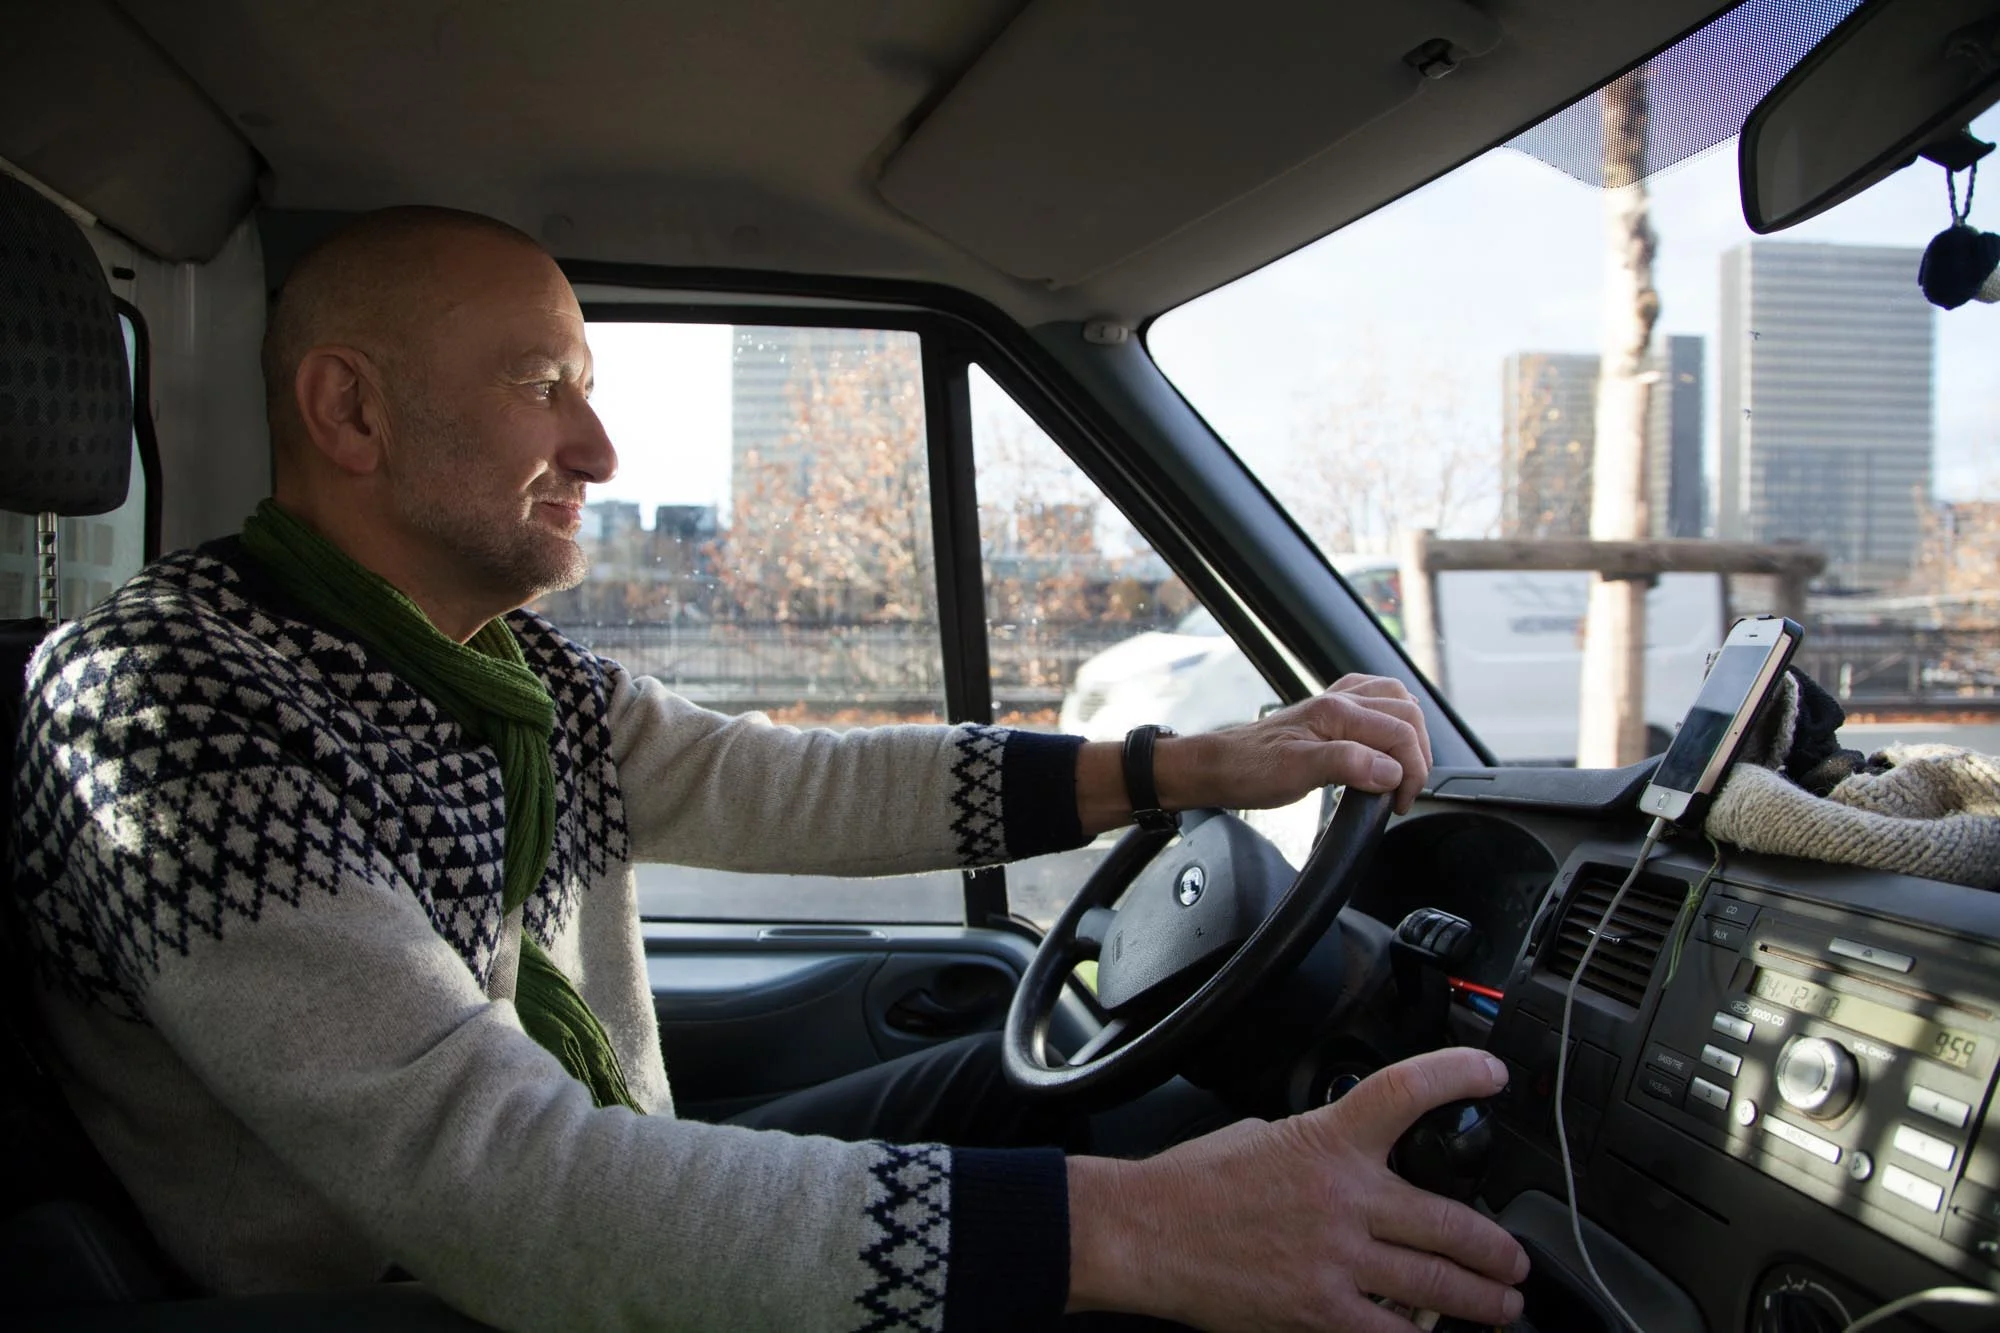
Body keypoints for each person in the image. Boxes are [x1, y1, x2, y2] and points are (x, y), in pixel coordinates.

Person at [12, 206, 1528, 1331]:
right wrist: (1141, 1237)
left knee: (1041, 1099)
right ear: (350, 408)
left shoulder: (500, 672)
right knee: (1123, 1225)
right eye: (544, 384)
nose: (601, 448)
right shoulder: (166, 700)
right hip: (421, 1286)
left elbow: (791, 784)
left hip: (565, 1197)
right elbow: (487, 1176)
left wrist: (1182, 765)